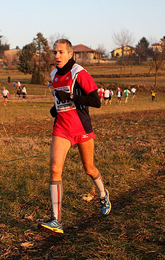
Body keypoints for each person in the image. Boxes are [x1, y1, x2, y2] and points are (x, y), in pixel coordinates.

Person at [37, 39, 111, 236]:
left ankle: (103, 194)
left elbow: (96, 101)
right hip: (62, 128)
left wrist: (70, 98)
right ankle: (56, 220)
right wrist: (55, 108)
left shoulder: (80, 73)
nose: (57, 56)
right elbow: (59, 99)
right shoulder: (54, 75)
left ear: (70, 54)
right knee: (54, 169)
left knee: (89, 168)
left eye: (61, 52)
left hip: (82, 128)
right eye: (54, 52)